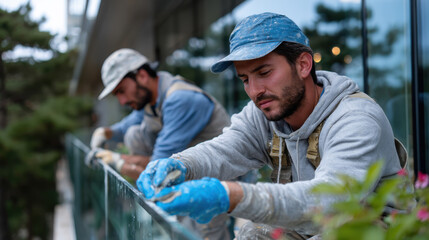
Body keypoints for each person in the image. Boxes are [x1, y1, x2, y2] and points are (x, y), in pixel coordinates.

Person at [136, 12, 408, 238]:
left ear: (303, 65)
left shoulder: (355, 118)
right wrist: (182, 164)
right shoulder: (266, 111)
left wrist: (231, 194)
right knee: (253, 233)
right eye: (244, 79)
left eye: (264, 73)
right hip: (316, 226)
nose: (255, 91)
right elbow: (223, 150)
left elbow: (330, 201)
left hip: (373, 229)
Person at [93, 48, 233, 239]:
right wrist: (105, 133)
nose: (122, 100)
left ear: (141, 75)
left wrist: (117, 161)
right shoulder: (151, 98)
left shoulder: (179, 99)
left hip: (220, 176)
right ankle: (170, 207)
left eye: (122, 91)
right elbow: (125, 127)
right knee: (134, 133)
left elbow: (158, 166)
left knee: (204, 234)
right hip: (188, 168)